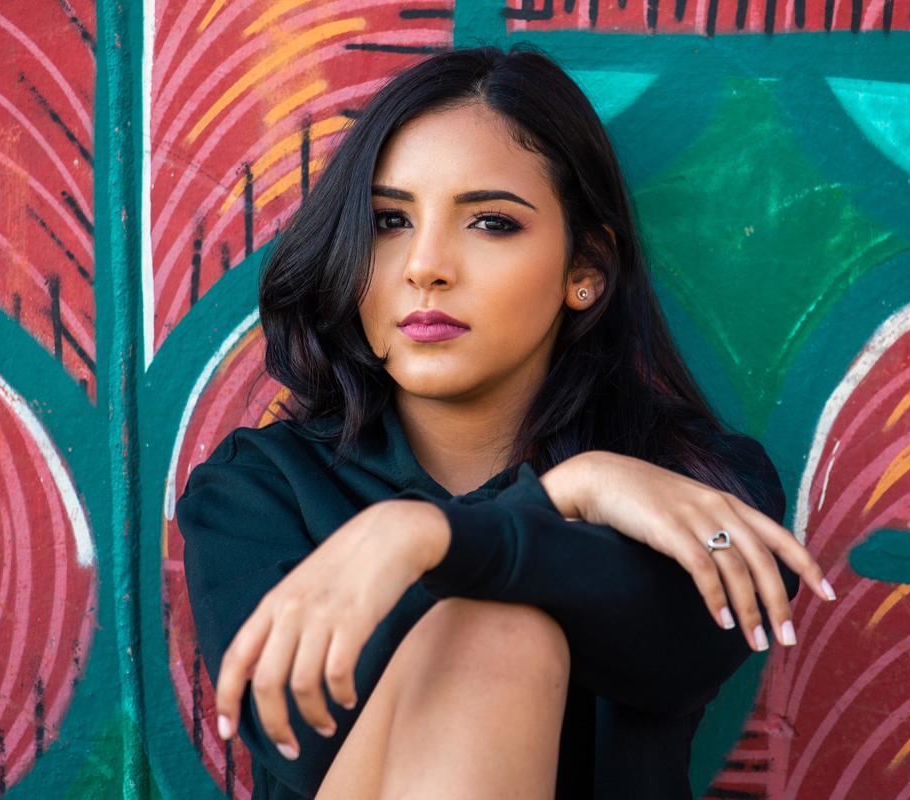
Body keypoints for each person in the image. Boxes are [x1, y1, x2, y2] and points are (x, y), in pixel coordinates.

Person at [177, 46, 834, 800]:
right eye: (389, 220)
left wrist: (436, 539)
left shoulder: (691, 477)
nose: (425, 265)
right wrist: (556, 500)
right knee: (491, 636)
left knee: (501, 635)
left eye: (490, 222)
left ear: (585, 269)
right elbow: (296, 738)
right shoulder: (257, 489)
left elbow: (689, 652)